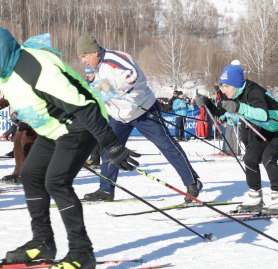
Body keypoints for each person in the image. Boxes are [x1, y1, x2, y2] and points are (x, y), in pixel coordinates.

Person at [0, 18, 136, 269]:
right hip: (53, 128)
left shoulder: (36, 68)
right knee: (30, 175)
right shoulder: (5, 71)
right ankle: (43, 243)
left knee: (56, 181)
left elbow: (85, 106)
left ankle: (82, 253)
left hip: (80, 123)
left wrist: (111, 145)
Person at [77, 34, 202, 203]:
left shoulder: (116, 58)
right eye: (81, 58)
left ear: (94, 52)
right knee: (109, 149)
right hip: (119, 116)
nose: (83, 61)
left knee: (166, 145)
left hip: (143, 111)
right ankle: (105, 190)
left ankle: (192, 182)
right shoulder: (95, 69)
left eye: (84, 56)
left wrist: (110, 86)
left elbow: (132, 75)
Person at [201, 62, 278, 215]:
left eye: (226, 86)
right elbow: (221, 112)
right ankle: (255, 198)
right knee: (250, 158)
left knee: (269, 158)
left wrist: (239, 107)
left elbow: (263, 114)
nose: (223, 90)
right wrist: (206, 104)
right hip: (269, 127)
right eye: (222, 86)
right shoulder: (234, 94)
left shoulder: (253, 91)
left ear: (235, 84)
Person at [0, 96, 36, 183]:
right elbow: (11, 94)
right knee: (17, 142)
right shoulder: (16, 84)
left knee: (26, 141)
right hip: (24, 116)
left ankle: (27, 173)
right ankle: (17, 172)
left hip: (37, 115)